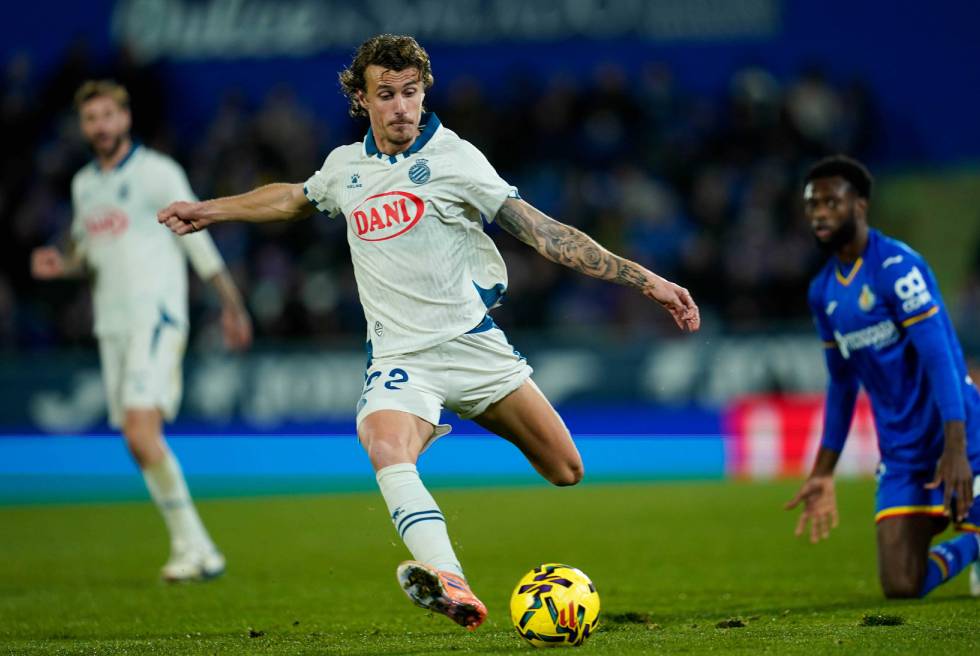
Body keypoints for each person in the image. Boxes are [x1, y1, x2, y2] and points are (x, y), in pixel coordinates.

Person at [158, 34, 699, 628]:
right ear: (362, 100)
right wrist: (209, 209)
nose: (401, 107)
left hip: (474, 349)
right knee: (384, 446)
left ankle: (452, 539)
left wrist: (647, 281)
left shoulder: (456, 159)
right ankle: (450, 580)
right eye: (386, 94)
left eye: (410, 92)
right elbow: (293, 198)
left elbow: (545, 233)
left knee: (566, 470)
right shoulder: (346, 168)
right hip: (401, 360)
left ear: (424, 92)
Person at [31, 80, 253, 582]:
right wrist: (62, 265)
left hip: (155, 317)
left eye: (108, 115)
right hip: (112, 327)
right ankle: (198, 549)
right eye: (91, 118)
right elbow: (87, 256)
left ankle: (195, 549)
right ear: (83, 126)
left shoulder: (158, 172)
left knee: (139, 432)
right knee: (137, 441)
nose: (101, 126)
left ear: (125, 118)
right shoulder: (84, 185)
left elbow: (197, 240)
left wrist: (231, 304)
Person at [786, 155, 980, 598]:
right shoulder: (822, 291)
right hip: (902, 451)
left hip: (960, 435)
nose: (819, 214)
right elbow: (841, 384)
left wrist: (956, 448)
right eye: (812, 204)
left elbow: (941, 360)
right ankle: (973, 545)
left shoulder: (897, 267)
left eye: (832, 202)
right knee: (901, 584)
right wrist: (823, 472)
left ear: (860, 206)